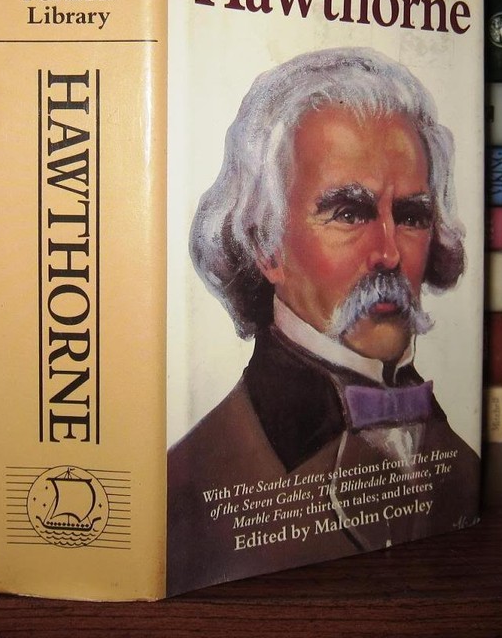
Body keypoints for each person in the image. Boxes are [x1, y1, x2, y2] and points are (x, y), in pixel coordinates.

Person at [167, 47, 480, 596]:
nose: (389, 253)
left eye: (411, 216)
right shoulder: (186, 491)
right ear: (266, 245)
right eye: (349, 213)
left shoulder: (466, 465)